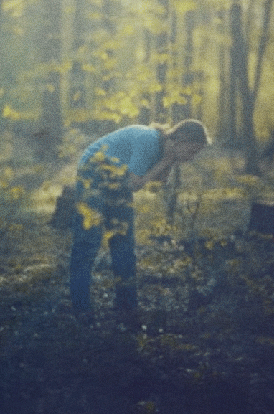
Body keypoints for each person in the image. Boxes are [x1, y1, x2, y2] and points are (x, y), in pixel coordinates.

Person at [69, 119, 209, 322]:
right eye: (192, 151)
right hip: (93, 174)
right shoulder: (148, 141)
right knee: (88, 242)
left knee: (124, 243)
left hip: (119, 180)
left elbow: (159, 181)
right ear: (180, 139)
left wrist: (169, 160)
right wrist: (166, 160)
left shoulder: (166, 150)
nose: (192, 157)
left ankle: (127, 307)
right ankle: (81, 309)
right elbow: (135, 184)